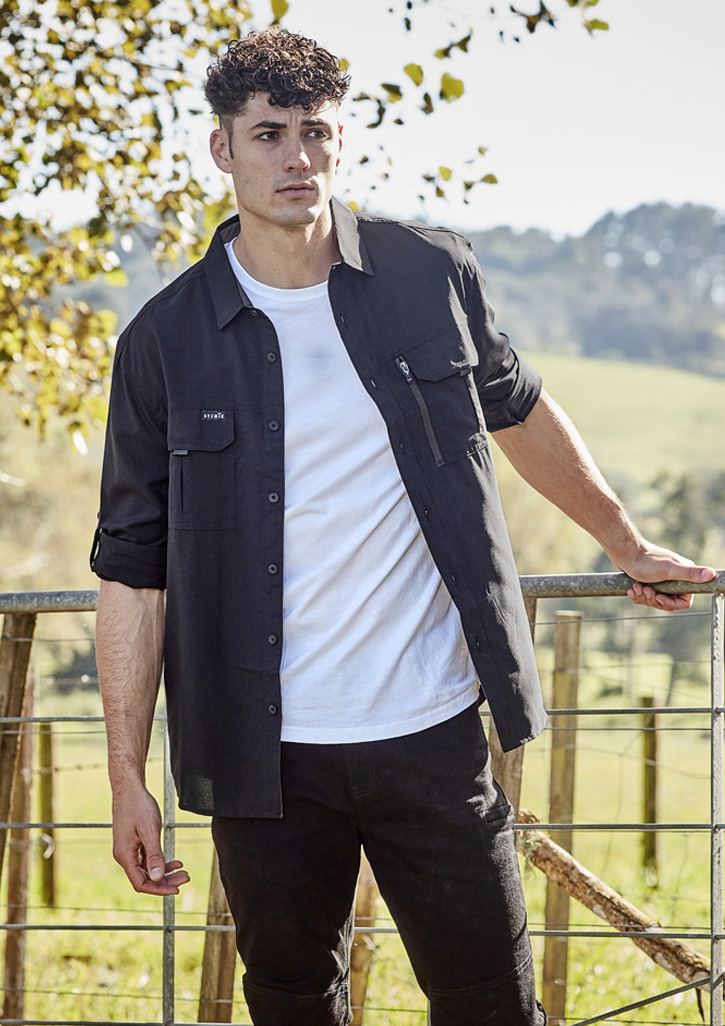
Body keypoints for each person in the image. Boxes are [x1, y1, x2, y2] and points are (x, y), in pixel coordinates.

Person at [91, 26, 715, 1026]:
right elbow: (132, 570)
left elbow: (517, 409)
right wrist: (126, 777)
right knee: (292, 1002)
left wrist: (623, 542)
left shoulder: (431, 273)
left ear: (341, 138)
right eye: (268, 135)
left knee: (490, 1003)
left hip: (431, 727)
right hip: (262, 753)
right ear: (222, 148)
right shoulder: (164, 340)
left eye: (315, 131)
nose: (296, 157)